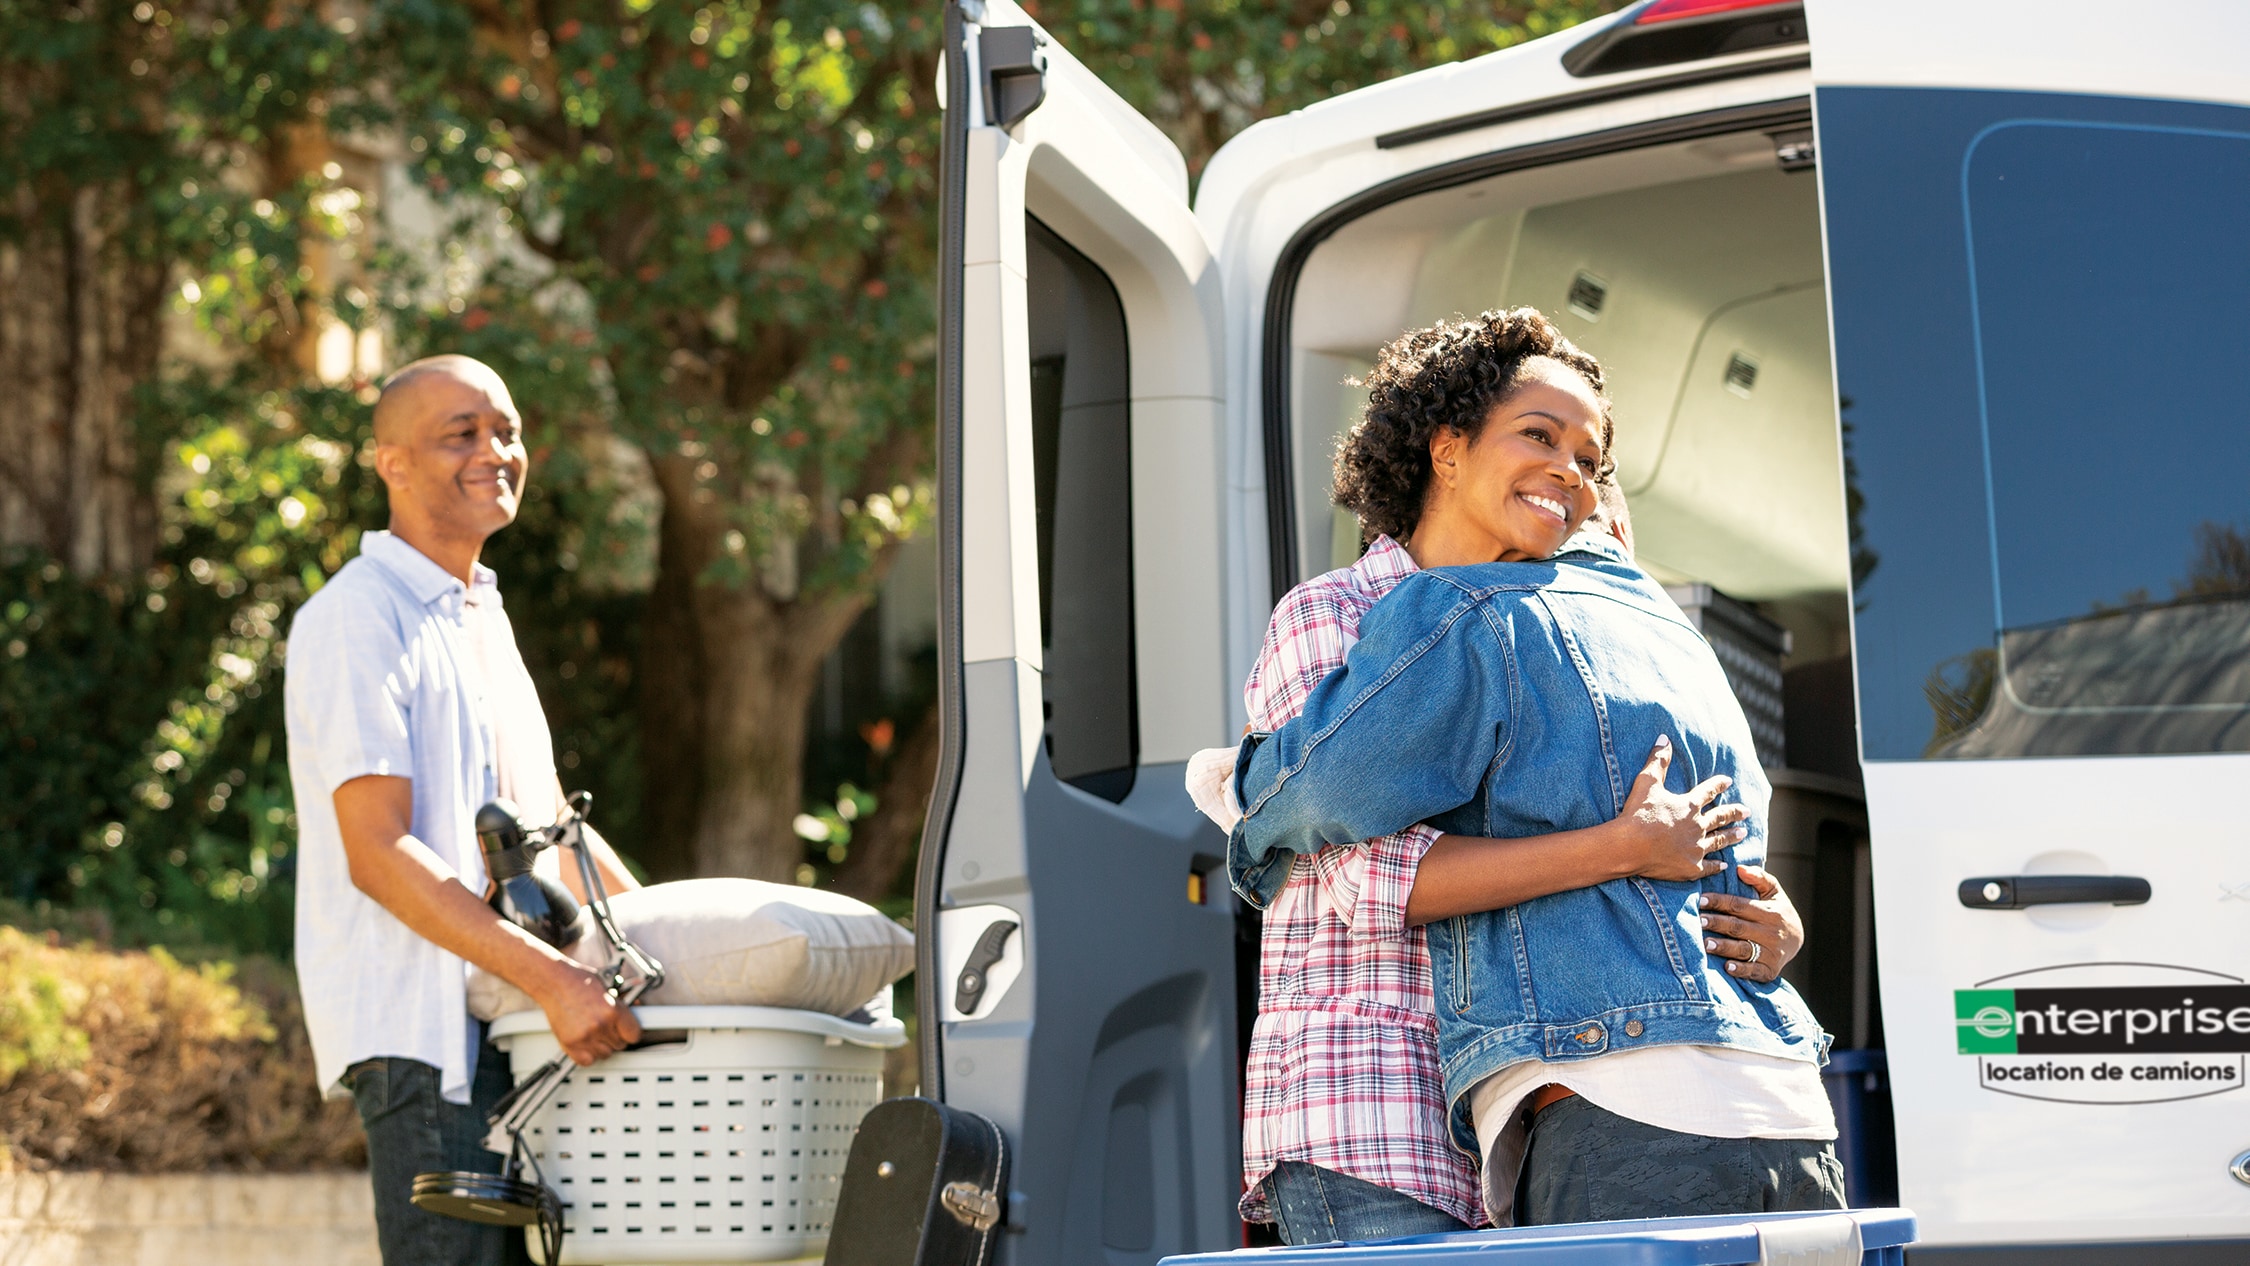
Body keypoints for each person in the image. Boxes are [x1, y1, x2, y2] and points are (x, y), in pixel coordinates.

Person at [1194, 310, 1817, 1242]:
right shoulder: (1332, 617)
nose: (1570, 469)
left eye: (1591, 457)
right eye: (1540, 434)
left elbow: (1670, 842)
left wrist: (1761, 921)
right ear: (1446, 449)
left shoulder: (1564, 639)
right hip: (1379, 1114)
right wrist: (1621, 850)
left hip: (1541, 1105)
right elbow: (1368, 878)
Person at [284, 355, 644, 1266]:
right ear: (391, 463)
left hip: (521, 1023)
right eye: (462, 433)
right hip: (427, 1046)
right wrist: (560, 983)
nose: (497, 451)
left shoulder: (479, 615)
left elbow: (554, 826)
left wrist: (662, 949)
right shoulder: (358, 618)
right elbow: (378, 851)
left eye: (508, 431)